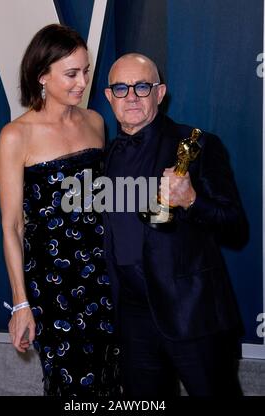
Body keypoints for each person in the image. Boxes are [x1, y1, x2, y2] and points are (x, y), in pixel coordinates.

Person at [103, 53, 248, 398]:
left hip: (192, 313)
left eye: (142, 86)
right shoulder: (105, 155)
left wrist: (192, 201)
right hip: (133, 315)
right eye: (121, 88)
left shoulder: (196, 145)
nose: (132, 97)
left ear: (160, 92)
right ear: (109, 96)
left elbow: (235, 227)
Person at [0, 23, 121, 398]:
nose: (83, 82)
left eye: (85, 71)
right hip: (53, 284)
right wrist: (21, 303)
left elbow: (104, 201)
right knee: (72, 384)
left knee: (111, 377)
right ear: (42, 77)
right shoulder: (15, 136)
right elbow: (13, 226)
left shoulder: (96, 123)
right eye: (71, 73)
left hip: (105, 273)